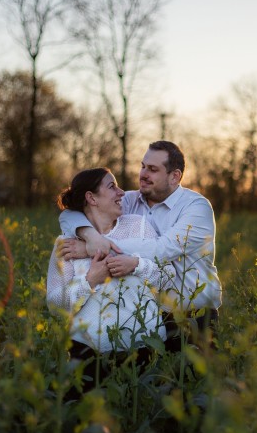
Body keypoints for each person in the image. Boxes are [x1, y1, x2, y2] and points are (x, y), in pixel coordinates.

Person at [58, 141, 222, 351]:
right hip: (151, 319)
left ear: (175, 176)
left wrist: (98, 247)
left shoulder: (196, 207)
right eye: (143, 166)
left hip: (194, 316)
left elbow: (161, 250)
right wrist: (90, 236)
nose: (143, 174)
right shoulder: (129, 200)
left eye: (153, 169)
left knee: (195, 380)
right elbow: (70, 213)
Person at [46, 167, 174, 390]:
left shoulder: (139, 225)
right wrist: (90, 280)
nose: (121, 192)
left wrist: (136, 265)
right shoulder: (66, 244)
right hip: (88, 352)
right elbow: (55, 303)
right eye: (112, 186)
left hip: (144, 346)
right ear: (91, 198)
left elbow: (169, 277)